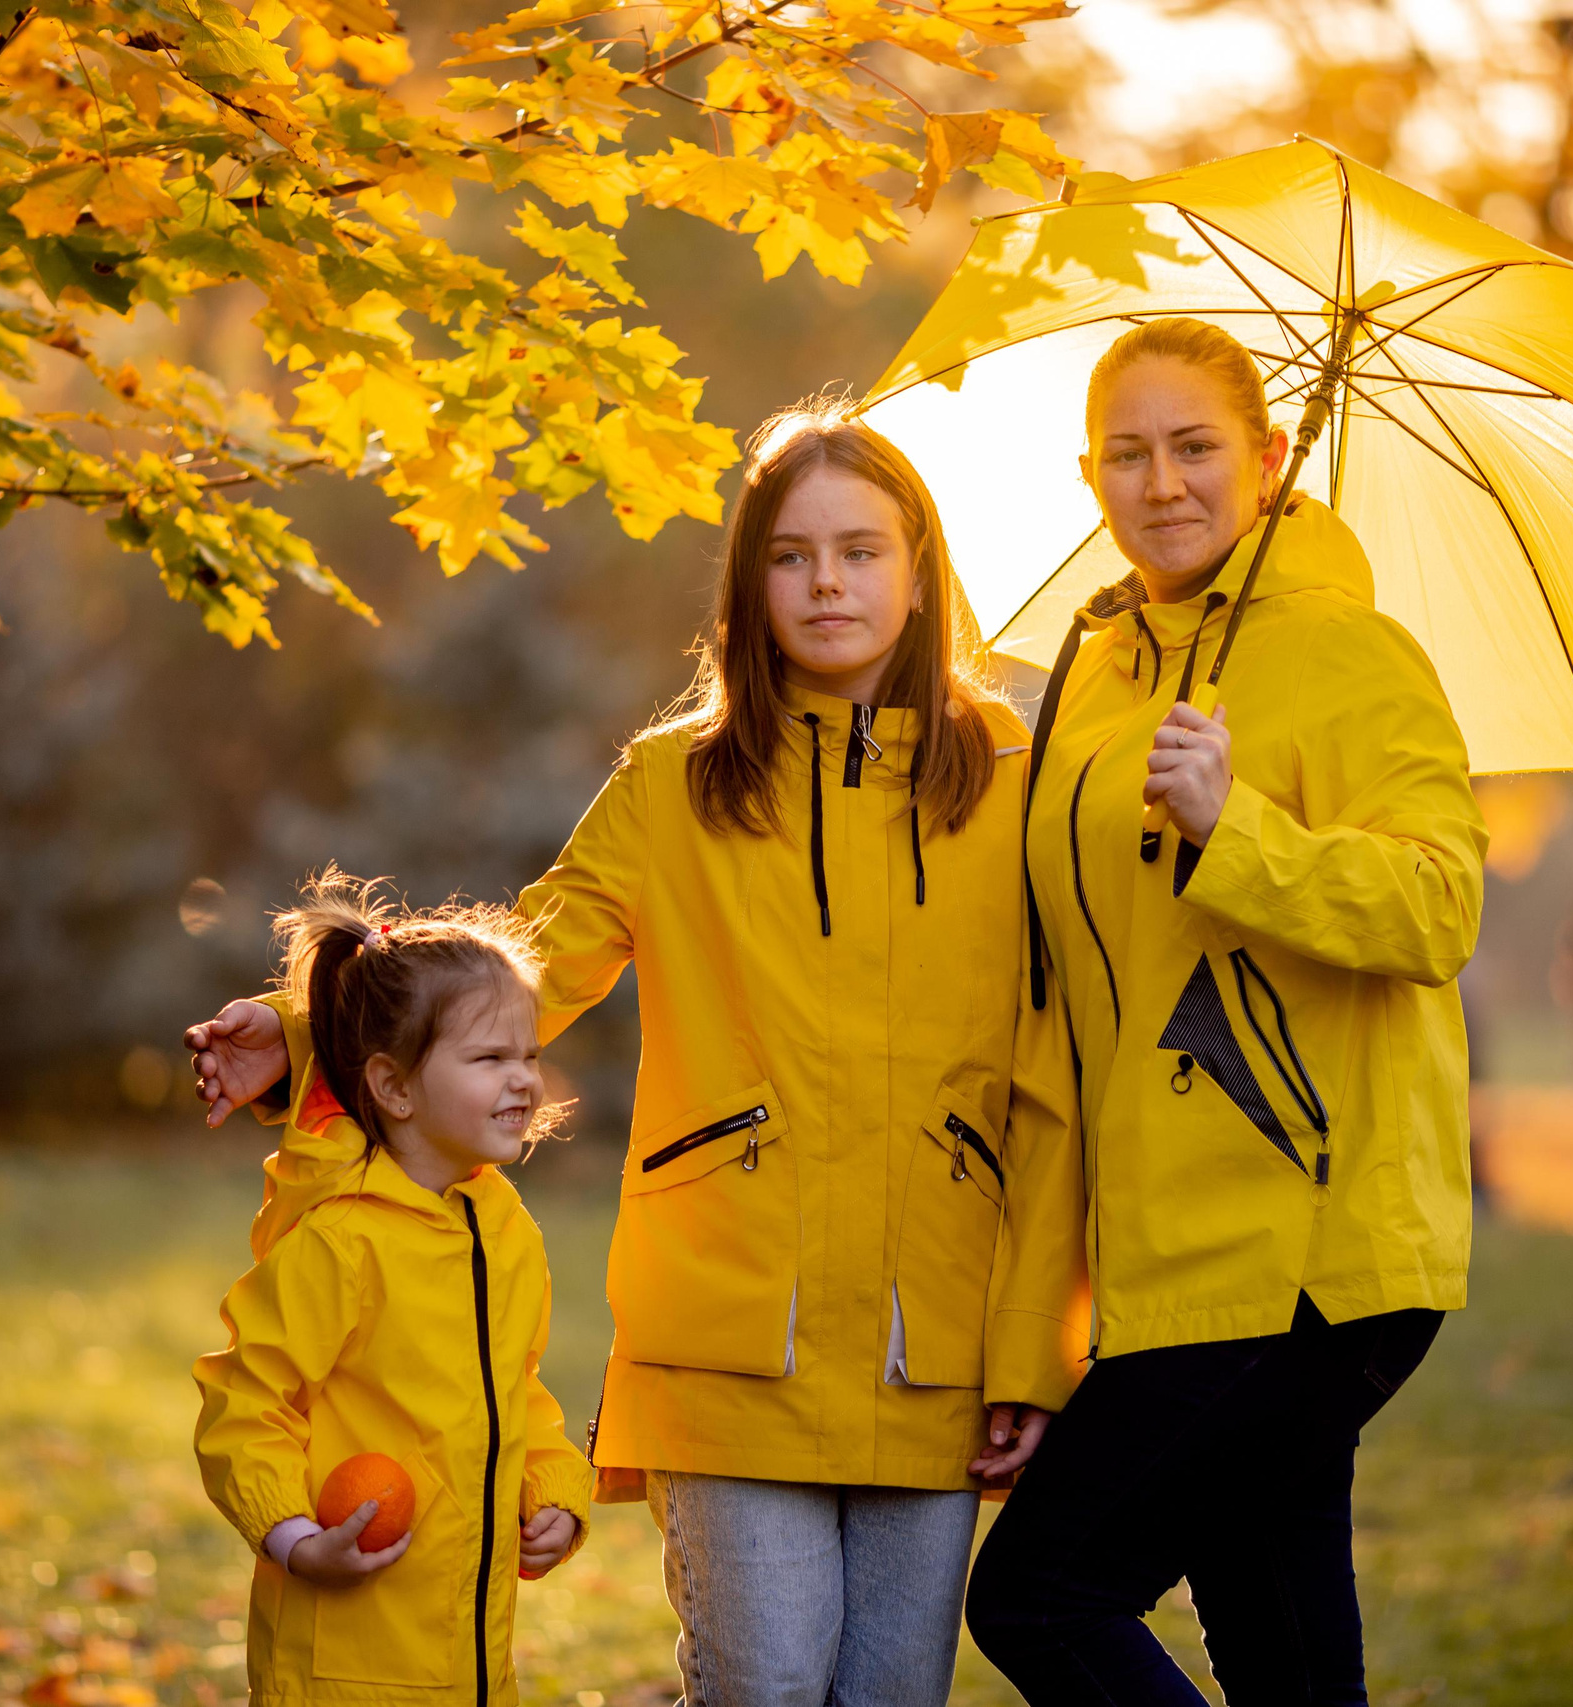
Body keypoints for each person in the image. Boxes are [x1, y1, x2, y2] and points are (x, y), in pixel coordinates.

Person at [188, 401, 1084, 1707]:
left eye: (861, 548)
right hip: (727, 1322)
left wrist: (1037, 1350)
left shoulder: (1018, 771)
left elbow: (1060, 1066)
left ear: (920, 566)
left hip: (935, 1329)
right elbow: (530, 955)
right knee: (762, 1682)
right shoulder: (676, 779)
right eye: (789, 553)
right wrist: (310, 1015)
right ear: (747, 581)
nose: (826, 580)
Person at [965, 318, 1487, 1705]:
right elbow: (1077, 1005)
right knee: (1284, 1652)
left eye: (1196, 447)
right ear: (1090, 477)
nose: (1165, 482)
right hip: (1170, 1251)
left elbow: (1439, 908)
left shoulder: (1353, 653)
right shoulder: (1093, 681)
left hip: (1307, 1248)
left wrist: (1232, 827)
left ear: (1267, 459)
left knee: (1040, 1591)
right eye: (1128, 455)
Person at [193, 873, 594, 1707]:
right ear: (394, 1086)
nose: (523, 1079)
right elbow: (244, 1400)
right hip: (344, 1663)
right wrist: (298, 1540)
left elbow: (513, 1391)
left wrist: (555, 1491)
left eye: (528, 1055)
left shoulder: (504, 1227)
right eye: (489, 1058)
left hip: (472, 1662)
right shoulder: (341, 1241)